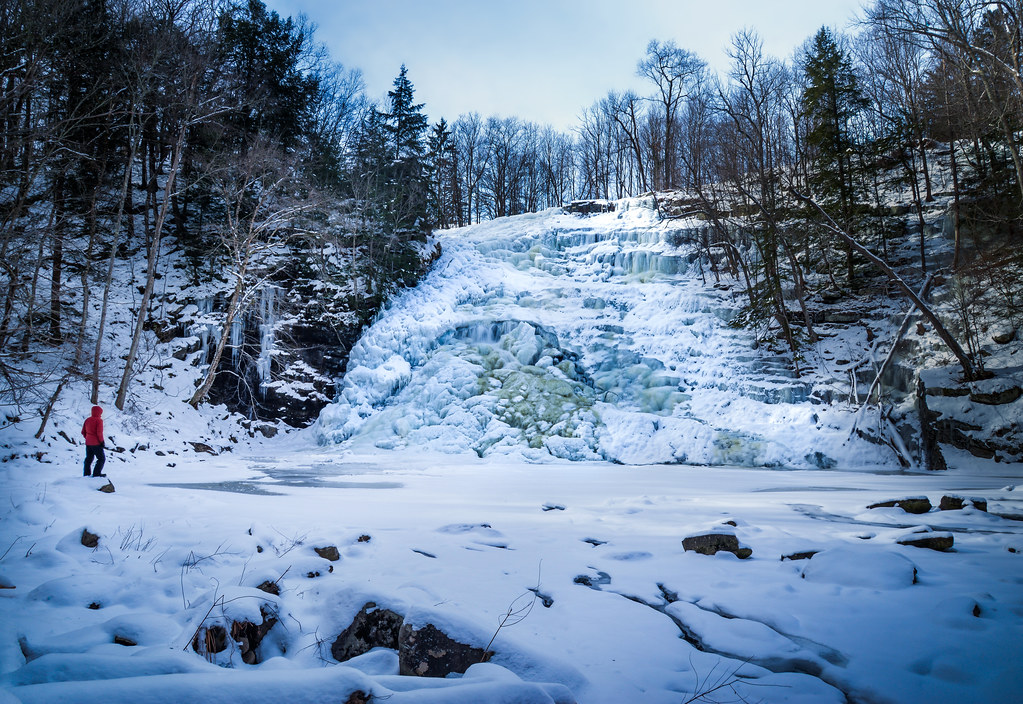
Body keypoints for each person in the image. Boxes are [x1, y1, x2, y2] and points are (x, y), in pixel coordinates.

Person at [81, 405, 106, 478]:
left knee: (88, 459)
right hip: (96, 443)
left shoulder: (87, 420)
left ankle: (86, 474)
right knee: (101, 459)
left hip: (88, 443)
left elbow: (83, 432)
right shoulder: (99, 420)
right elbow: (99, 433)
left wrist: (88, 438)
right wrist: (102, 442)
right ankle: (97, 474)